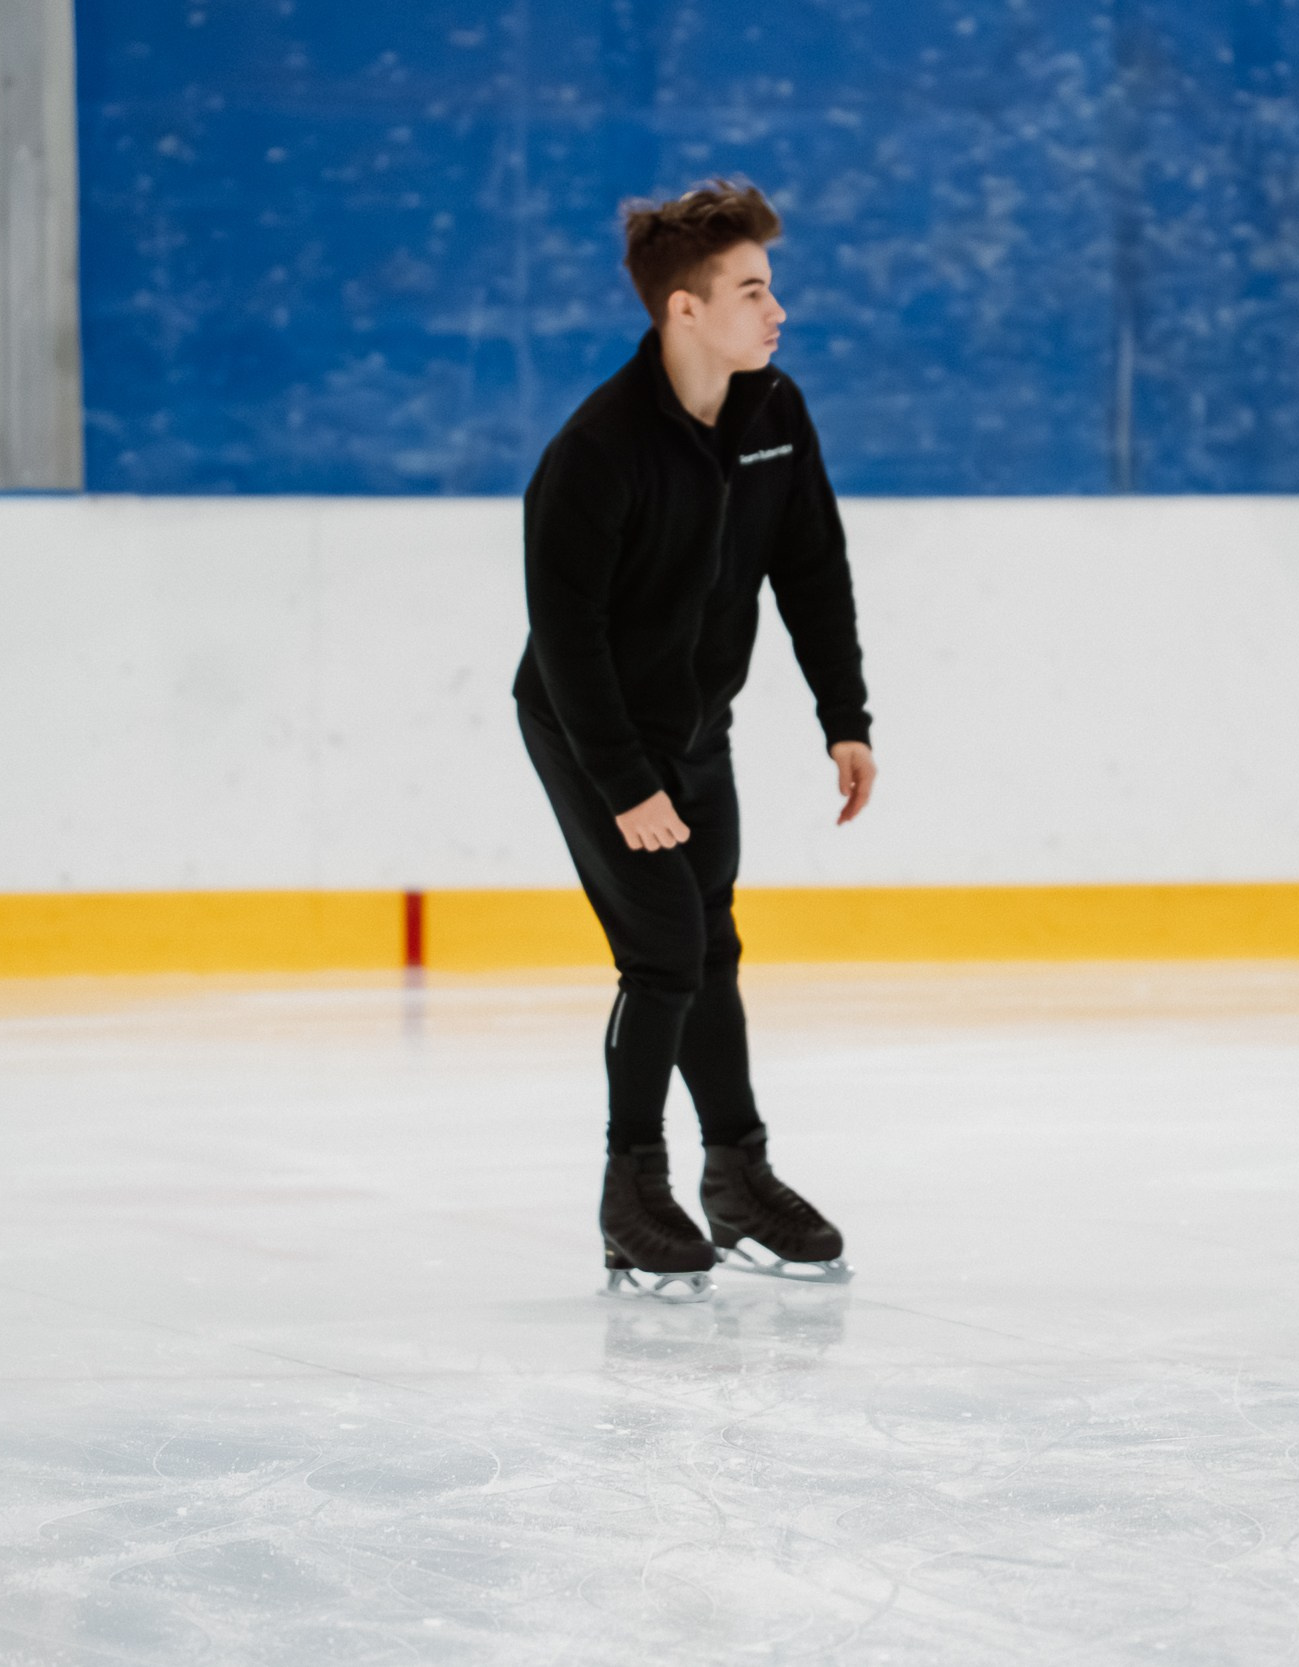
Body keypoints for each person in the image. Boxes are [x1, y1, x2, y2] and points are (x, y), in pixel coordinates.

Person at [514, 180, 873, 1299]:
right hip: (591, 728)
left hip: (695, 726)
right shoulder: (597, 452)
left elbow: (812, 567)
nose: (777, 311)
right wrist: (623, 782)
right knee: (666, 946)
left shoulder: (774, 414)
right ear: (683, 309)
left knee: (711, 945)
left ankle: (738, 1176)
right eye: (754, 290)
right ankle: (633, 1191)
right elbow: (563, 638)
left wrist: (843, 716)